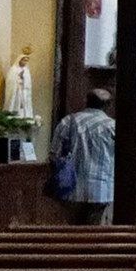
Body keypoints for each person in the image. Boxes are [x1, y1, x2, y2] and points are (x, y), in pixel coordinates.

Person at [53, 86, 119, 225]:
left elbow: (54, 154)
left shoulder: (68, 122)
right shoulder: (112, 126)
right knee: (96, 233)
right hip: (101, 189)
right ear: (108, 106)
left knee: (72, 230)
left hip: (70, 188)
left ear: (87, 101)